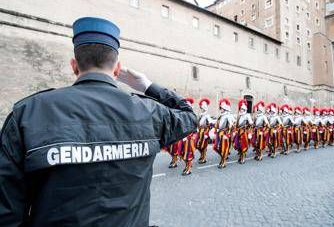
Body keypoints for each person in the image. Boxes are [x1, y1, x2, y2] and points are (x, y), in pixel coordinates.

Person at [0, 17, 197, 227]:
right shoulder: (149, 112)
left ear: (74, 65)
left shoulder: (28, 113)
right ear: (117, 68)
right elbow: (189, 116)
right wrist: (148, 86)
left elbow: (7, 213)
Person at [210, 98, 235, 168]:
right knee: (215, 147)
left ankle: (223, 161)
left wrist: (227, 134)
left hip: (224, 134)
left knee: (224, 148)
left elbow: (231, 125)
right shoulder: (220, 116)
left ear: (224, 108)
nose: (220, 109)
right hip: (219, 133)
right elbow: (217, 124)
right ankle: (223, 157)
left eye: (221, 108)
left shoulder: (228, 116)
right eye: (220, 107)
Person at [179, 98, 197, 176]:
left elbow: (195, 129)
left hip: (189, 139)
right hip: (183, 137)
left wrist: (189, 136)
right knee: (181, 153)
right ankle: (187, 165)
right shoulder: (183, 115)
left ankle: (188, 169)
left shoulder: (193, 116)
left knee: (188, 154)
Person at [233, 99, 253, 164]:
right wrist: (235, 130)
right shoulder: (238, 115)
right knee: (238, 145)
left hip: (244, 132)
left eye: (242, 109)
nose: (241, 110)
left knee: (243, 145)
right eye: (240, 109)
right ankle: (240, 156)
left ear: (244, 109)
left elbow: (251, 123)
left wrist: (249, 130)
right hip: (238, 132)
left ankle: (243, 158)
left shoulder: (247, 115)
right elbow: (236, 124)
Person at [196, 97, 213, 164]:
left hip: (204, 132)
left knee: (203, 146)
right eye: (201, 108)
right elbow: (198, 123)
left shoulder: (207, 116)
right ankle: (202, 155)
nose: (202, 109)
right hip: (199, 131)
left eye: (203, 108)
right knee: (197, 145)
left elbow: (211, 124)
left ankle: (204, 158)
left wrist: (207, 132)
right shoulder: (200, 115)